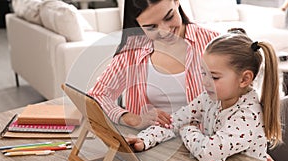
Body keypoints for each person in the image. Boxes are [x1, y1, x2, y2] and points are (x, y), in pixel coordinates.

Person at [126, 29, 282, 161]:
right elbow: (174, 121)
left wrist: (188, 129)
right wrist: (145, 139)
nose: (204, 82)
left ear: (244, 79)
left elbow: (208, 152)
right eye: (203, 73)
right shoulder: (209, 99)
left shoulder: (248, 116)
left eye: (214, 77)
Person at [88, 0, 219, 129]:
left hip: (209, 145)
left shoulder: (213, 43)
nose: (164, 31)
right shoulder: (132, 51)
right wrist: (131, 118)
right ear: (138, 24)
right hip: (150, 145)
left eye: (169, 17)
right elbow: (97, 96)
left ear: (176, 2)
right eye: (151, 27)